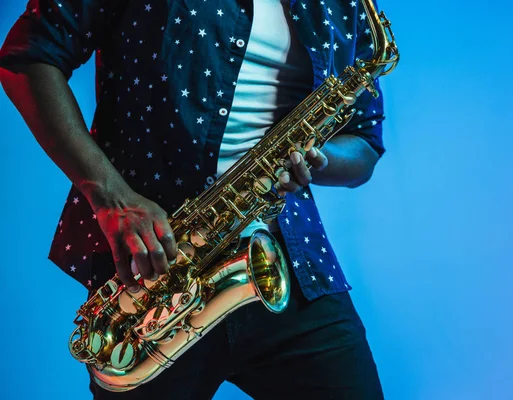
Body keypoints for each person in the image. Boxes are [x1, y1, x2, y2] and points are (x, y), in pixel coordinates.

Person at [0, 0, 386, 398]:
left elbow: (365, 145)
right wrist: (111, 196)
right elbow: (28, 56)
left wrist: (317, 156)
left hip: (289, 262)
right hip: (155, 272)